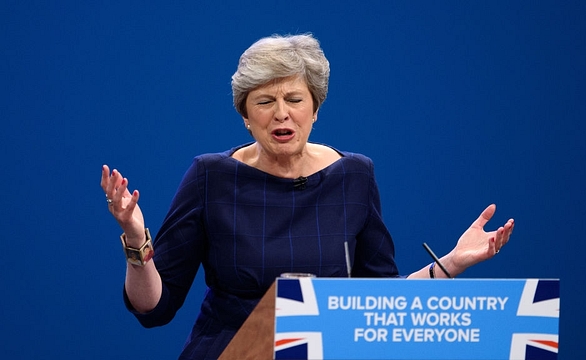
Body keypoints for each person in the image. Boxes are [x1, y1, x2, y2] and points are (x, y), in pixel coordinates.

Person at [100, 33, 514, 360]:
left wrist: (454, 261)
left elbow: (383, 301)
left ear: (315, 109)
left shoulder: (354, 175)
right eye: (264, 101)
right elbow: (154, 307)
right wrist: (136, 240)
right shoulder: (211, 176)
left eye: (294, 100)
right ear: (245, 117)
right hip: (231, 351)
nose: (281, 113)